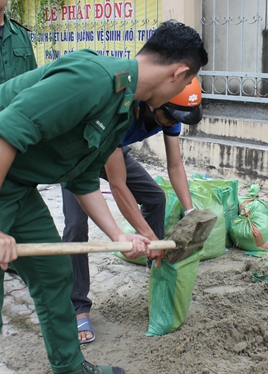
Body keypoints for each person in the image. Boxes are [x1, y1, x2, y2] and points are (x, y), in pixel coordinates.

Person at [0, 20, 208, 374]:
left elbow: (83, 177)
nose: (182, 89)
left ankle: (71, 367)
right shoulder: (93, 79)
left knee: (55, 274)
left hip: (14, 184)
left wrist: (120, 236)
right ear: (179, 73)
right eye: (186, 82)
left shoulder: (123, 103)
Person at [62, 77, 203, 344]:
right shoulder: (123, 109)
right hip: (79, 155)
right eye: (170, 116)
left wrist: (190, 212)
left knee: (155, 198)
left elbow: (175, 166)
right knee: (75, 226)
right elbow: (118, 186)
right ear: (154, 102)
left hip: (115, 152)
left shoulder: (170, 115)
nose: (174, 122)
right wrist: (150, 237)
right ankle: (78, 305)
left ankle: (155, 266)